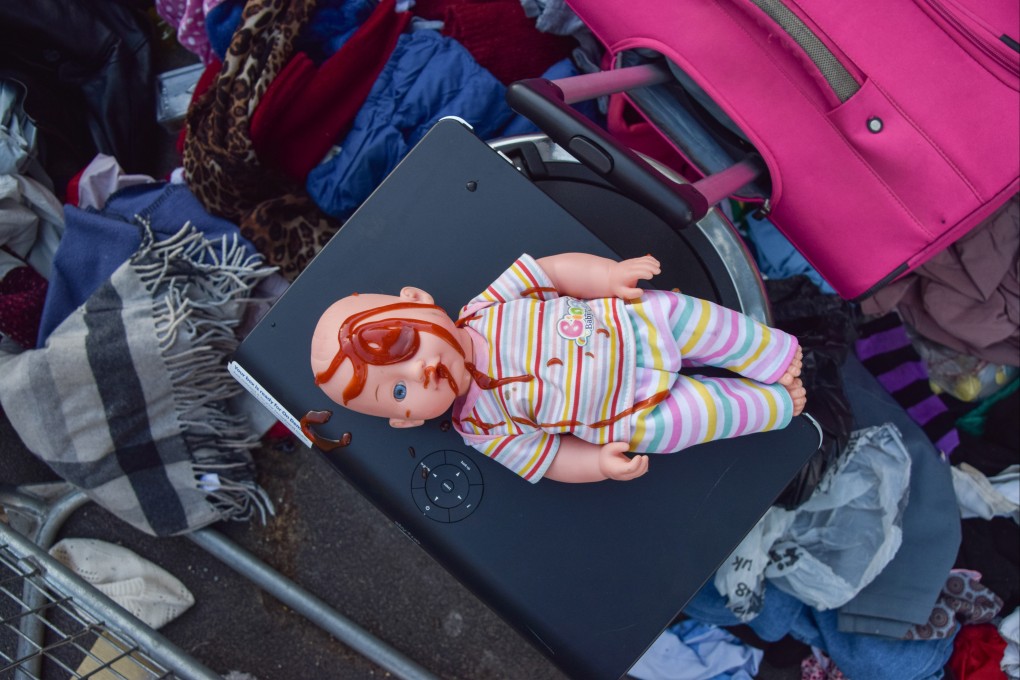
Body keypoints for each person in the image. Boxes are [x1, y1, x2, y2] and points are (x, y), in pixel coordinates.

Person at [309, 253, 806, 483]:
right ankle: (772, 404)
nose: (417, 374)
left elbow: (555, 272)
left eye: (401, 345)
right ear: (408, 420)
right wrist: (596, 465)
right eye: (397, 394)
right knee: (700, 418)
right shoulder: (481, 429)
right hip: (631, 415)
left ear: (418, 301)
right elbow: (549, 460)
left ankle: (769, 356)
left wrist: (607, 276)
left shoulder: (490, 304)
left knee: (698, 321)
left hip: (635, 325)